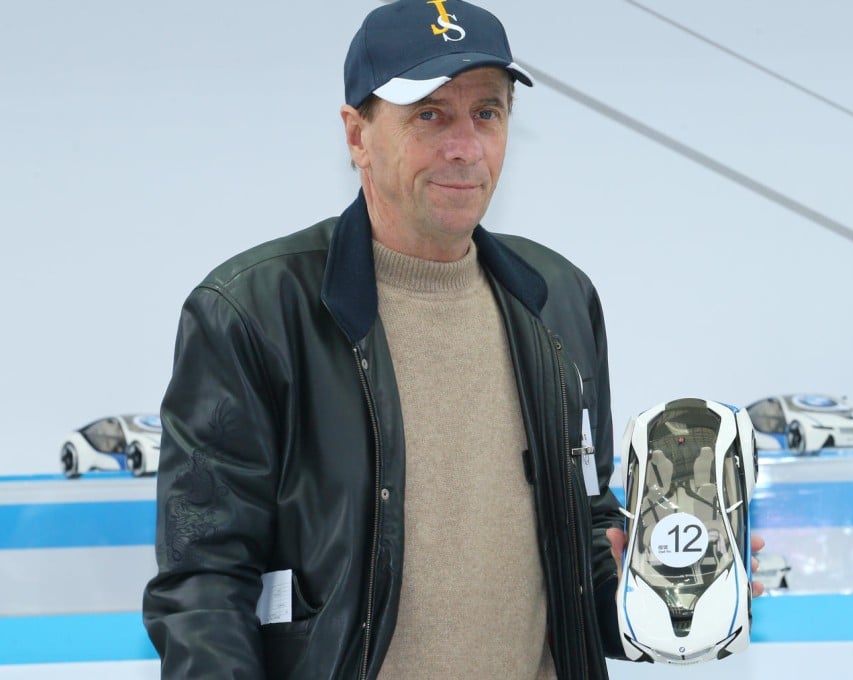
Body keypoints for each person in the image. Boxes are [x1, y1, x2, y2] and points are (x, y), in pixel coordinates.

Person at [143, 1, 762, 678]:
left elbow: (582, 536)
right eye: (430, 115)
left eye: (487, 114)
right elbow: (203, 583)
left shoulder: (557, 299)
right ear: (356, 135)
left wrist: (670, 596)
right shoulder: (252, 312)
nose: (465, 147)